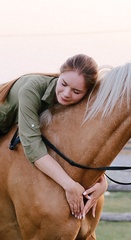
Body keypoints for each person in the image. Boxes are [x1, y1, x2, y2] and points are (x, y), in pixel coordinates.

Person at [0, 54, 108, 219]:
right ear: (60, 74)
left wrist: (103, 182)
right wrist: (69, 185)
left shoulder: (73, 103)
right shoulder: (31, 89)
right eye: (63, 84)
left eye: (76, 91)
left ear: (86, 93)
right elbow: (33, 146)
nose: (66, 94)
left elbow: (81, 146)